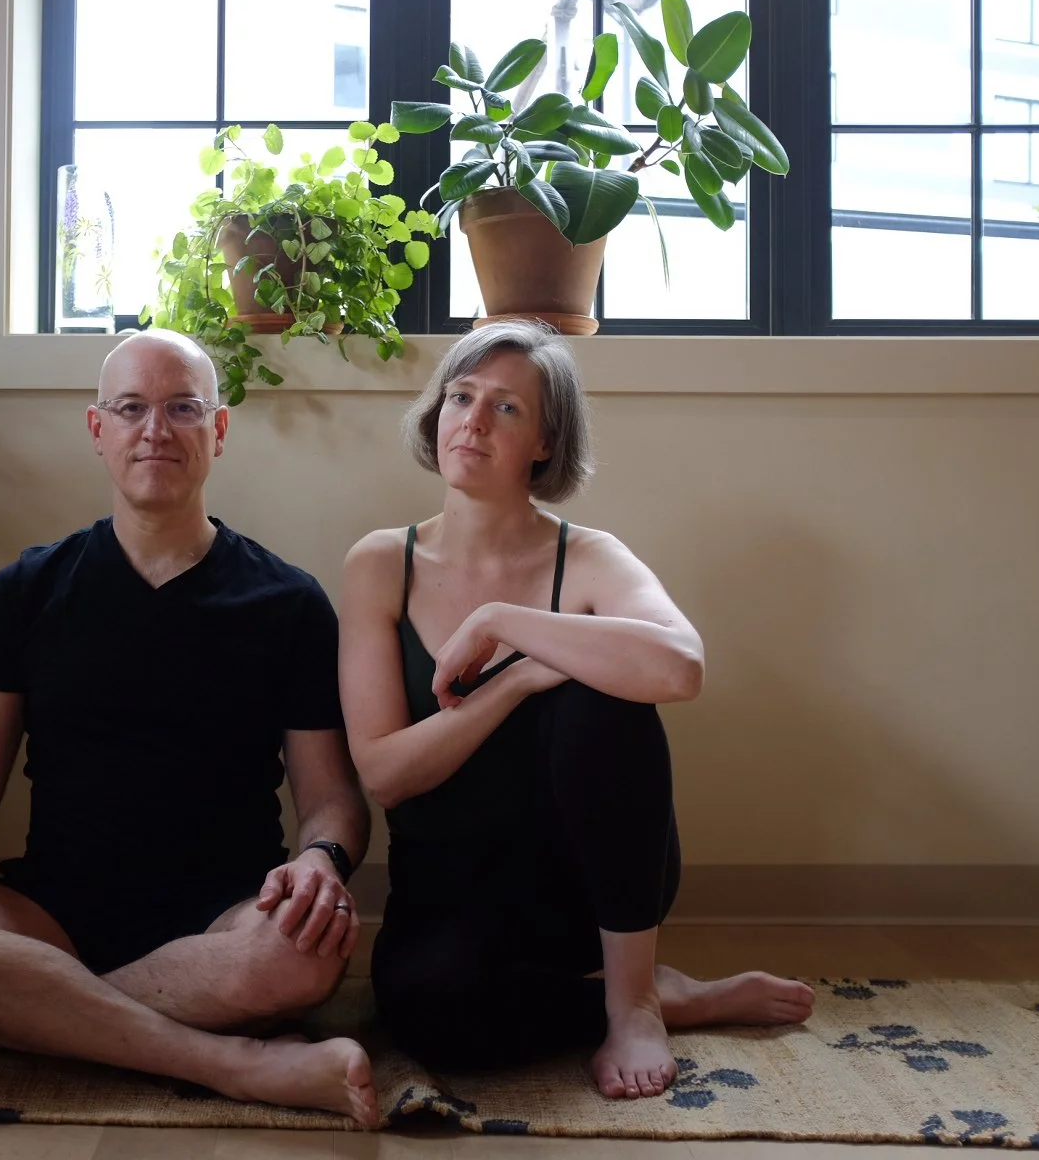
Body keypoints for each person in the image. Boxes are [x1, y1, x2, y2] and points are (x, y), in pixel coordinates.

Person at [0, 329, 378, 1126]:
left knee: (307, 951)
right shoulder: (24, 590)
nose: (155, 429)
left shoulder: (290, 604)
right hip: (48, 916)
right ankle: (230, 1062)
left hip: (225, 916)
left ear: (218, 430)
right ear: (99, 430)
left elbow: (334, 799)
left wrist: (322, 862)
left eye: (182, 408)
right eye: (131, 409)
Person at [338, 320, 814, 1099]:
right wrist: (520, 680)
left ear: (544, 444)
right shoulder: (380, 562)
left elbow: (681, 666)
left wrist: (505, 626)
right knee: (430, 1017)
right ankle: (667, 997)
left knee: (606, 697)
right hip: (449, 888)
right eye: (462, 397)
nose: (475, 421)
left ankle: (632, 1002)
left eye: (508, 409)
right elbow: (385, 774)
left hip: (584, 890)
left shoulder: (587, 558)